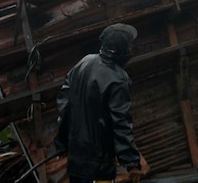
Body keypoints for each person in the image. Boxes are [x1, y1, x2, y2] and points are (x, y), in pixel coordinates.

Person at [55, 23, 143, 183]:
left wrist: (61, 143)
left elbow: (64, 107)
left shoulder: (84, 62)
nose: (131, 49)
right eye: (130, 46)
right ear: (123, 49)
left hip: (76, 159)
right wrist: (131, 162)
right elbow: (121, 123)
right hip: (99, 164)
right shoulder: (118, 79)